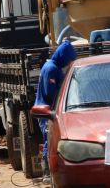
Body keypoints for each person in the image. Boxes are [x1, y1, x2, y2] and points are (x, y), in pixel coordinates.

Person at [34, 41, 77, 182]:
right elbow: (50, 93)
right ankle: (47, 172)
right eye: (70, 59)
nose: (70, 62)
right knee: (49, 139)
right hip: (46, 111)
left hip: (52, 110)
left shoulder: (55, 67)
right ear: (64, 57)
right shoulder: (51, 69)